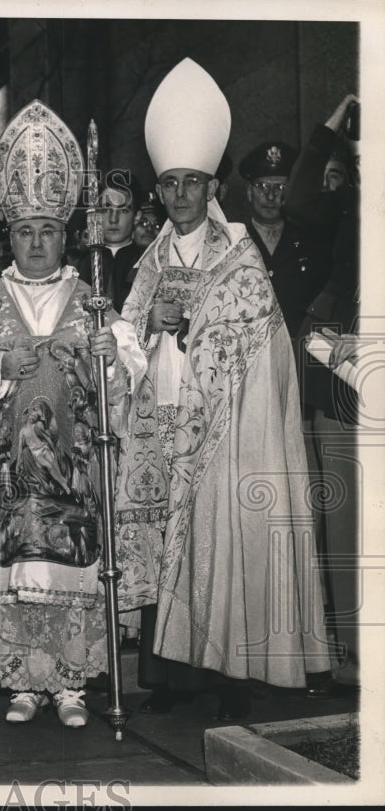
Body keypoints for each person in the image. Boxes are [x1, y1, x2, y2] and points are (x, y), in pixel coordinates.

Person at [114, 58, 332, 721]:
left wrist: (198, 329)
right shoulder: (148, 263)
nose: (180, 194)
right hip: (161, 427)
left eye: (192, 183)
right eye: (170, 184)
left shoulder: (239, 254)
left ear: (210, 185)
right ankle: (175, 678)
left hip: (230, 433)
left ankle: (240, 674)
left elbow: (258, 344)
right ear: (160, 190)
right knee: (169, 547)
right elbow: (124, 338)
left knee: (227, 541)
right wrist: (145, 329)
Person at [0, 100, 146, 728]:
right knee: (20, 566)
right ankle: (24, 682)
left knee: (71, 567)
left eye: (48, 231)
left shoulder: (89, 300)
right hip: (10, 475)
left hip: (75, 470)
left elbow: (130, 364)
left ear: (66, 235)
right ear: (11, 236)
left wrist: (109, 353)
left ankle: (70, 685)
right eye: (26, 231)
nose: (36, 243)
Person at [283, 93, 361, 692]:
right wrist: (331, 125)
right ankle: (351, 646)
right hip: (341, 370)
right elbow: (299, 197)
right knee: (342, 515)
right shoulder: (343, 208)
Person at [239, 140, 330, 342]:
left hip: (299, 352)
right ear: (248, 192)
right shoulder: (234, 240)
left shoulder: (312, 242)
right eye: (263, 186)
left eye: (280, 187)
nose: (271, 196)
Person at [77, 170, 144, 311]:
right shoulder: (81, 266)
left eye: (123, 210)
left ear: (137, 216)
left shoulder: (146, 264)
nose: (114, 219)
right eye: (106, 209)